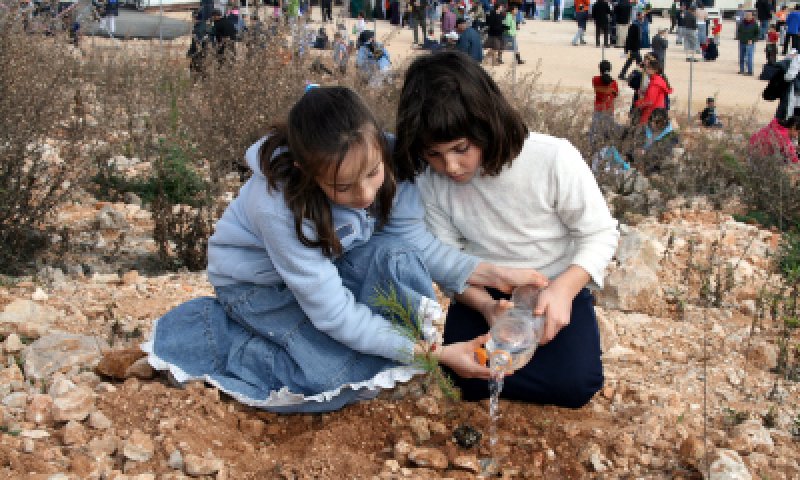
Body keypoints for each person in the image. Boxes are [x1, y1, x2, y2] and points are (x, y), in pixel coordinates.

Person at [145, 86, 548, 413]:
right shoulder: (277, 206)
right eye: (343, 187)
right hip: (259, 287)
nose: (366, 194)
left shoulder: (389, 157)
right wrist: (436, 355)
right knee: (329, 377)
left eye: (373, 174)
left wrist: (496, 276)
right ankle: (207, 332)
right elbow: (334, 313)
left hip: (329, 266)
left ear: (378, 143)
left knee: (397, 261)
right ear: (306, 172)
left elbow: (413, 243)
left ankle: (394, 351)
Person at [393, 50, 619, 408]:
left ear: (487, 123)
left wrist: (564, 289)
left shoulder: (552, 158)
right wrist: (485, 306)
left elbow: (599, 234)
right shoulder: (430, 180)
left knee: (576, 385)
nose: (450, 166)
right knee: (462, 378)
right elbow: (448, 260)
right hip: (480, 292)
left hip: (553, 290)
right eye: (433, 154)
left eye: (461, 149)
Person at [628, 108, 680, 174]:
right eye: (651, 121)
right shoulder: (645, 128)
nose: (653, 125)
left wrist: (645, 153)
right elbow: (635, 139)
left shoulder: (670, 136)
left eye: (656, 122)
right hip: (640, 159)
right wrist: (637, 148)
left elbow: (660, 152)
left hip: (657, 163)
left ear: (663, 122)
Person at [634, 57, 672, 125]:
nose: (646, 69)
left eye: (648, 68)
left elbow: (650, 101)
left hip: (651, 112)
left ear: (654, 70)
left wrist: (638, 103)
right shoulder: (658, 80)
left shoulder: (655, 83)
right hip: (656, 111)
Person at [591, 60, 620, 148]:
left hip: (598, 108)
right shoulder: (613, 83)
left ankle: (593, 147)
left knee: (595, 130)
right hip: (608, 109)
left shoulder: (595, 80)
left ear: (600, 69)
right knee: (608, 131)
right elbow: (615, 95)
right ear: (610, 69)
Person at [738, 11, 759, 75]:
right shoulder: (742, 23)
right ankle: (742, 70)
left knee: (749, 58)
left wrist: (752, 40)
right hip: (742, 42)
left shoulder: (755, 24)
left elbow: (757, 34)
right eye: (746, 15)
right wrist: (740, 37)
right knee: (741, 57)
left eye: (749, 15)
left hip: (750, 43)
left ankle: (750, 71)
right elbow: (739, 31)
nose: (747, 16)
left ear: (752, 16)